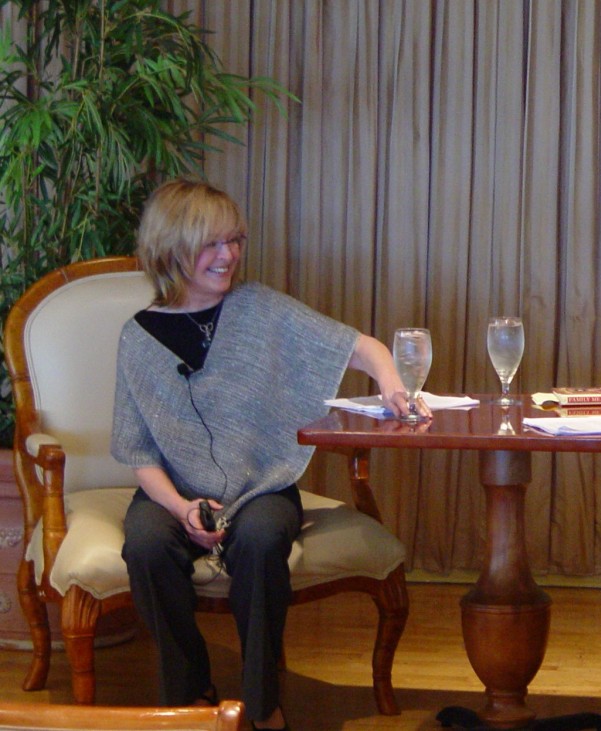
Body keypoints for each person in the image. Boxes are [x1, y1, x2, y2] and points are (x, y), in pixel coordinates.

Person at [112, 179, 426, 730]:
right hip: (170, 489)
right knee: (144, 545)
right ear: (172, 246)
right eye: (211, 243)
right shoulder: (138, 338)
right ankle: (189, 697)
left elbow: (362, 347)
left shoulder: (260, 309)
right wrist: (181, 507)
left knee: (258, 539)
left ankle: (262, 706)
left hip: (263, 487)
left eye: (234, 240)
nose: (228, 255)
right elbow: (138, 449)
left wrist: (391, 382)